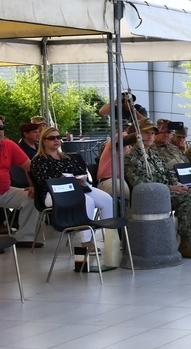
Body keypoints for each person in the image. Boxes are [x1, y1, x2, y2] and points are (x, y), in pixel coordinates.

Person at [124, 121, 191, 259]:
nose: (150, 136)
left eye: (152, 133)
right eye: (146, 133)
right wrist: (170, 188)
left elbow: (168, 174)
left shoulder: (154, 155)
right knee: (189, 199)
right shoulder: (131, 157)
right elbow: (141, 185)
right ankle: (185, 244)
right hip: (152, 196)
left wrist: (178, 186)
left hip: (168, 190)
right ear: (137, 135)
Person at [29, 126, 114, 270]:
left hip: (76, 187)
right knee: (86, 200)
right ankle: (86, 242)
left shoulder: (66, 157)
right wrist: (65, 179)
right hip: (54, 193)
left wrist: (81, 178)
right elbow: (44, 181)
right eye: (52, 138)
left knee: (107, 199)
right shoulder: (39, 160)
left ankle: (110, 238)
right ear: (43, 141)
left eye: (58, 137)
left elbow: (80, 172)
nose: (56, 140)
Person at [0, 115, 41, 248]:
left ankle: (24, 237)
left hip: (4, 191)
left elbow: (29, 166)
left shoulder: (8, 145)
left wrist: (33, 186)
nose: (0, 131)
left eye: (1, 128)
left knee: (32, 197)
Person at [96, 125, 136, 201]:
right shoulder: (120, 136)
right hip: (110, 180)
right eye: (146, 133)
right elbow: (120, 142)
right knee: (122, 190)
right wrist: (138, 136)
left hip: (127, 179)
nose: (149, 136)